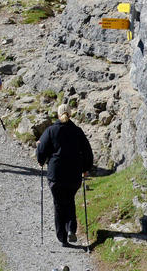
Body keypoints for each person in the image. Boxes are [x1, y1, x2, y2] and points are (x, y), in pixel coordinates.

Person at [36, 103, 94, 247]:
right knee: (69, 200)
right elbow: (88, 152)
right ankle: (71, 229)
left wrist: (41, 160)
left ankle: (62, 237)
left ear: (58, 114)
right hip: (74, 174)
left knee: (59, 203)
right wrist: (86, 168)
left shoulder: (51, 130)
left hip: (56, 174)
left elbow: (41, 149)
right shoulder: (78, 131)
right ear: (70, 114)